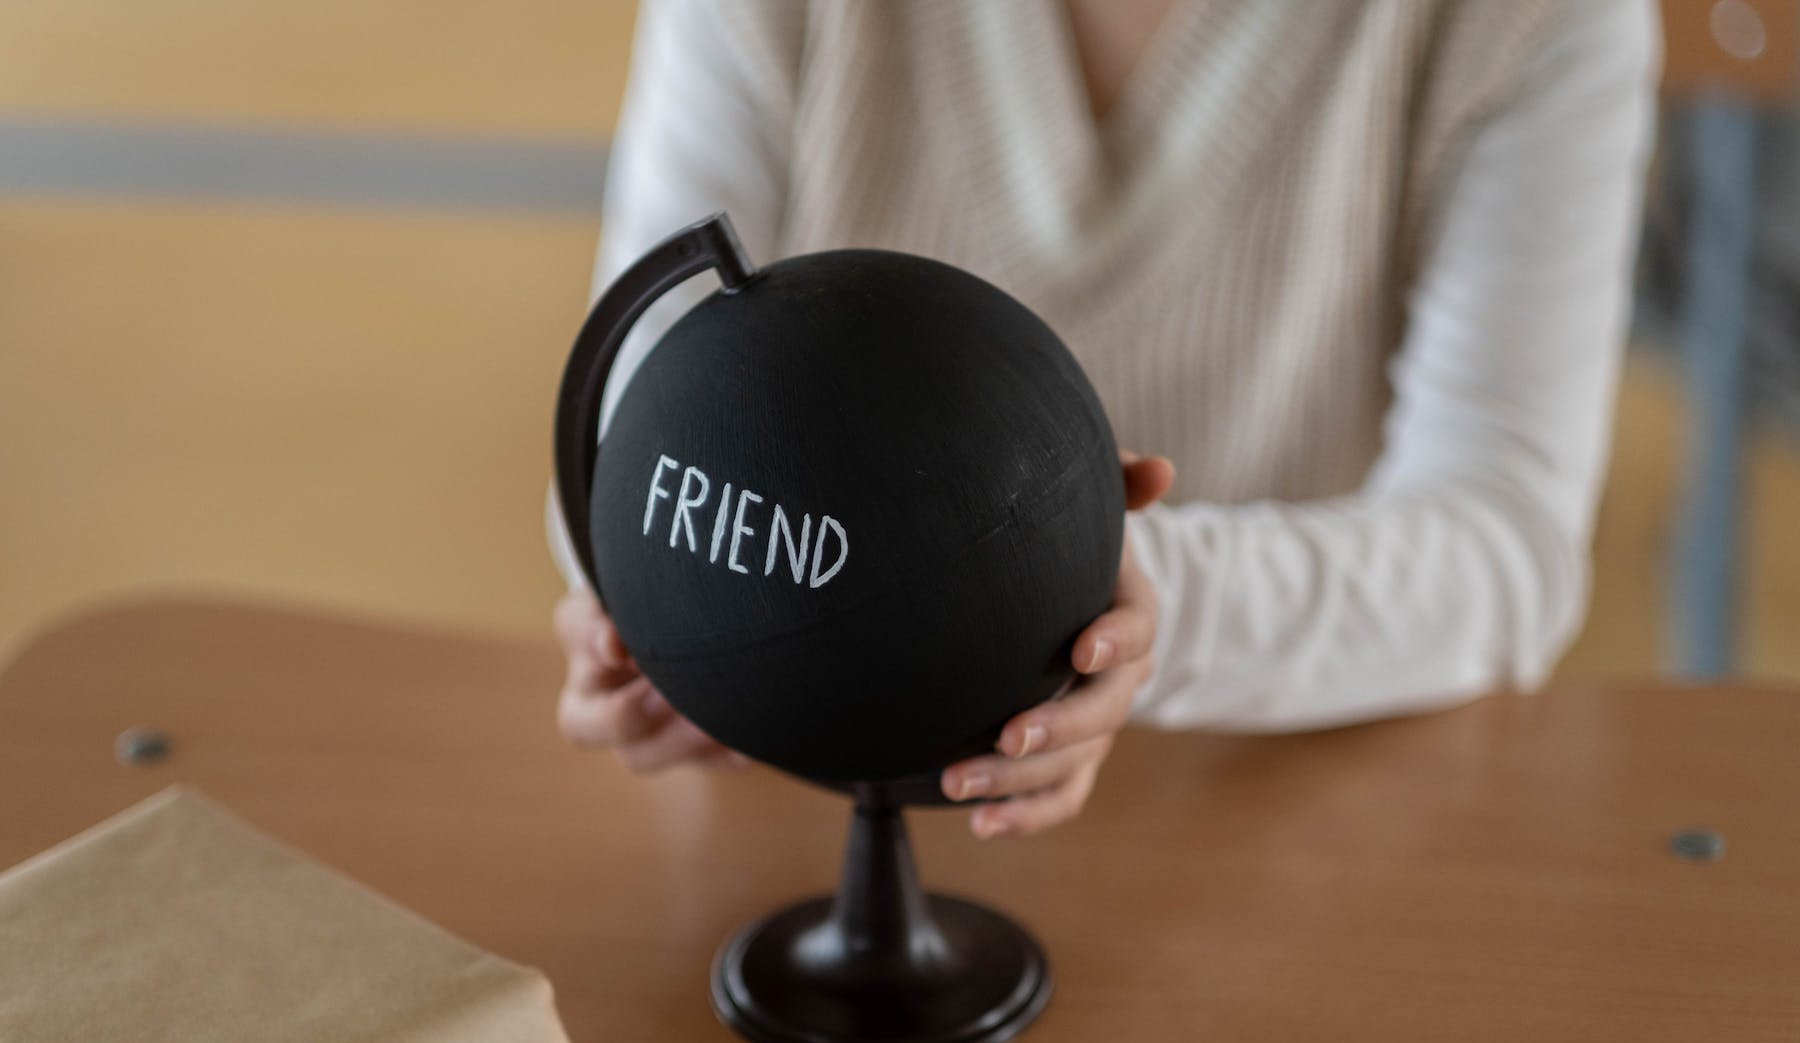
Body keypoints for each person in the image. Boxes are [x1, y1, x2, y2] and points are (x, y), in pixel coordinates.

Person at [553, 0, 1658, 838]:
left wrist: (1127, 606)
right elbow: (631, 410)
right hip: (782, 808)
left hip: (1268, 812)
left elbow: (1503, 539)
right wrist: (648, 595)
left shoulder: (1526, 22)